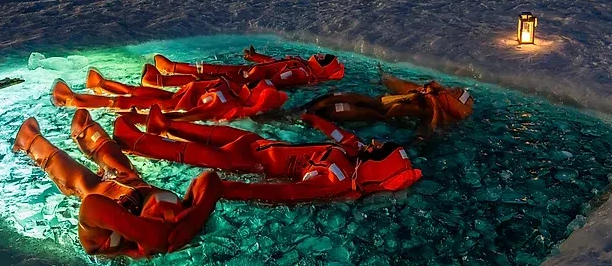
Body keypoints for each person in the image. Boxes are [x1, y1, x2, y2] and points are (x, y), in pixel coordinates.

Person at [12, 109, 222, 258]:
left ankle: (30, 141)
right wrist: (196, 216)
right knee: (121, 169)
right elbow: (210, 179)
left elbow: (93, 206)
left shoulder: (107, 238)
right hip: (133, 193)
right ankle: (86, 132)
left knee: (83, 181)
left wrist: (155, 232)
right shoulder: (182, 219)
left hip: (111, 205)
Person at [113, 107, 421, 203]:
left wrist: (229, 188)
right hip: (260, 143)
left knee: (194, 152)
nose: (371, 144)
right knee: (210, 135)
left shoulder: (336, 181)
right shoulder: (353, 152)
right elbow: (340, 134)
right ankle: (163, 124)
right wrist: (315, 120)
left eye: (377, 149)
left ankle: (131, 140)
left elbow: (284, 191)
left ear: (376, 164)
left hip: (254, 163)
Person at [50, 69, 287, 122]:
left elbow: (196, 112)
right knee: (145, 96)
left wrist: (172, 116)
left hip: (183, 103)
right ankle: (101, 86)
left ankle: (74, 100)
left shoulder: (232, 104)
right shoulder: (235, 96)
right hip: (188, 97)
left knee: (136, 101)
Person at [304, 73, 474, 136]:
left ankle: (310, 116)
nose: (450, 90)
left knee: (340, 106)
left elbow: (429, 129)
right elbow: (402, 86)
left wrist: (432, 99)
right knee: (341, 99)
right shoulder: (431, 95)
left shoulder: (435, 110)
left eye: (452, 92)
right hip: (383, 103)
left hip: (383, 111)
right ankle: (312, 111)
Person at [148, 46, 344, 89]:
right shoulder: (301, 65)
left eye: (323, 58)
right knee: (215, 69)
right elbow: (274, 62)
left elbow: (277, 79)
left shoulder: (301, 72)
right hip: (252, 73)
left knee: (212, 79)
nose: (320, 55)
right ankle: (172, 67)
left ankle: (163, 80)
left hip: (251, 79)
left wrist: (252, 81)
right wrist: (255, 57)